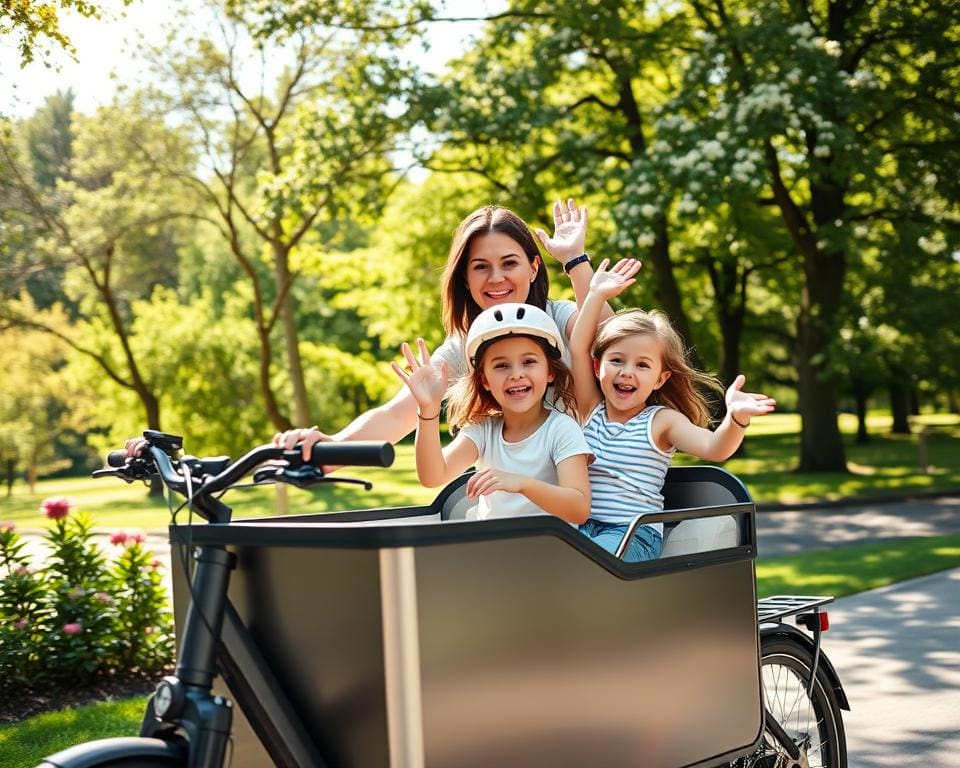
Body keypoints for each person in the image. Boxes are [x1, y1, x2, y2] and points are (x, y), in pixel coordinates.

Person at [274, 199, 612, 460]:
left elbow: (621, 341)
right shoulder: (465, 347)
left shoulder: (562, 316)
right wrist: (331, 448)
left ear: (534, 267)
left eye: (509, 263)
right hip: (510, 506)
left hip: (582, 502)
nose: (496, 278)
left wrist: (575, 260)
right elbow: (396, 415)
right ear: (465, 278)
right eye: (481, 267)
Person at [568, 258, 776, 561]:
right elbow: (577, 347)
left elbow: (715, 448)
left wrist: (736, 419)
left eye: (642, 365)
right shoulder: (590, 409)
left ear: (660, 378)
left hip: (633, 533)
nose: (627, 372)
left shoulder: (660, 421)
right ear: (597, 367)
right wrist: (596, 295)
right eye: (617, 360)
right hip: (582, 528)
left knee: (592, 565)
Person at [390, 303, 591, 523]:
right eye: (501, 366)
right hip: (492, 548)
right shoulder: (483, 429)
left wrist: (522, 484)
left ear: (550, 372)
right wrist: (428, 409)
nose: (516, 374)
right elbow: (433, 476)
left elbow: (579, 509)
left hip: (547, 551)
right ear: (484, 380)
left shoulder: (561, 429)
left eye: (529, 362)